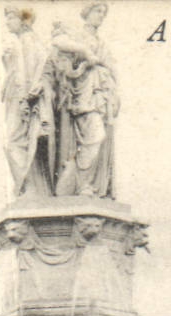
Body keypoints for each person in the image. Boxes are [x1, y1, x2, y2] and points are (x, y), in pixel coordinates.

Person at [48, 4, 119, 198]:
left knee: (100, 139)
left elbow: (111, 66)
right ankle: (82, 185)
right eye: (97, 11)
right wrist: (85, 51)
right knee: (94, 137)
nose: (101, 16)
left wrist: (115, 91)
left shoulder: (101, 42)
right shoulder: (78, 34)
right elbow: (58, 42)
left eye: (103, 13)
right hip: (83, 93)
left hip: (100, 95)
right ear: (87, 13)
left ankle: (91, 186)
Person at [1, 6, 54, 197]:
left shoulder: (27, 41)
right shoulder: (25, 41)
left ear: (22, 21)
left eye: (11, 18)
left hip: (21, 100)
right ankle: (29, 187)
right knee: (20, 142)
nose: (7, 22)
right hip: (17, 99)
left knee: (15, 142)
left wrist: (24, 99)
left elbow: (27, 73)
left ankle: (28, 187)